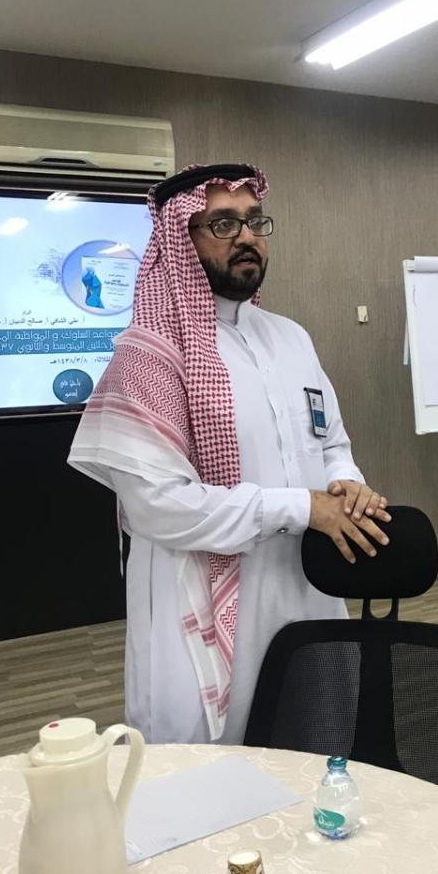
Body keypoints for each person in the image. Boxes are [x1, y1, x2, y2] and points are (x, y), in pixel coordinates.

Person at [69, 163, 390, 744]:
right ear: (181, 240)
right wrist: (302, 507)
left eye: (253, 222)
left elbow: (331, 443)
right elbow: (158, 506)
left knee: (316, 749)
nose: (246, 237)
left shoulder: (291, 338)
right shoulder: (149, 355)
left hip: (306, 587)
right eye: (222, 224)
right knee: (213, 774)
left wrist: (347, 483)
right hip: (197, 605)